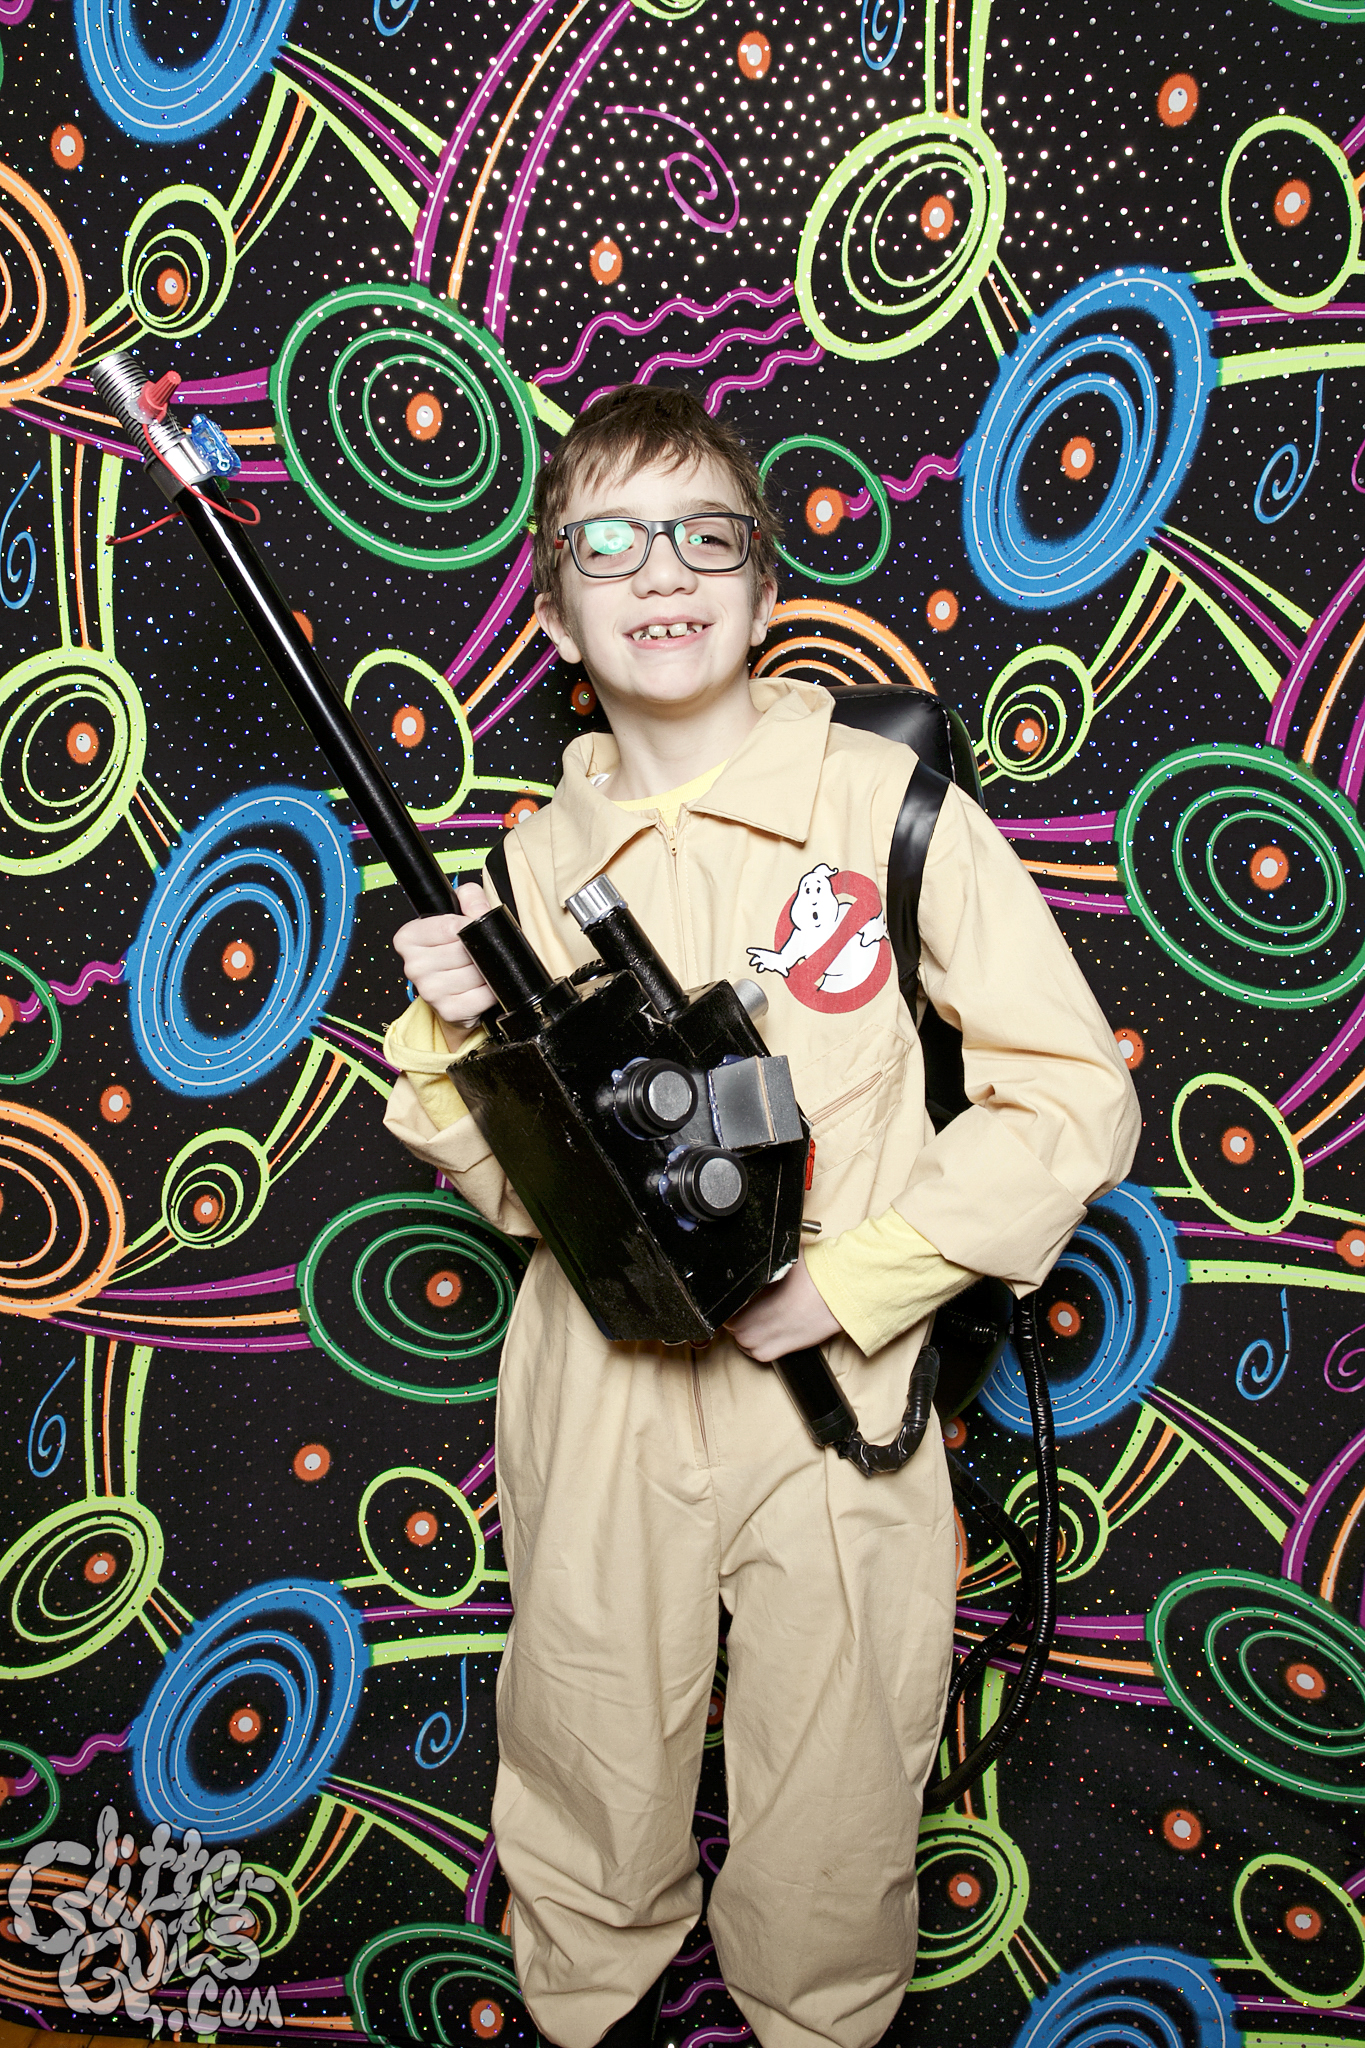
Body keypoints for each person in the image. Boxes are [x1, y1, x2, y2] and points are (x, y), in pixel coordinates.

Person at [382, 386, 1140, 2048]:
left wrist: (857, 1280)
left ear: (762, 583)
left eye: (703, 537)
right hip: (600, 1395)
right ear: (555, 610)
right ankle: (582, 2018)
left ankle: (819, 2025)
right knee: (586, 1741)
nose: (661, 572)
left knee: (839, 1779)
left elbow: (1070, 1098)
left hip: (836, 1397)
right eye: (608, 544)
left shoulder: (883, 806)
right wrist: (449, 1040)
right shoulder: (519, 874)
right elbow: (525, 1200)